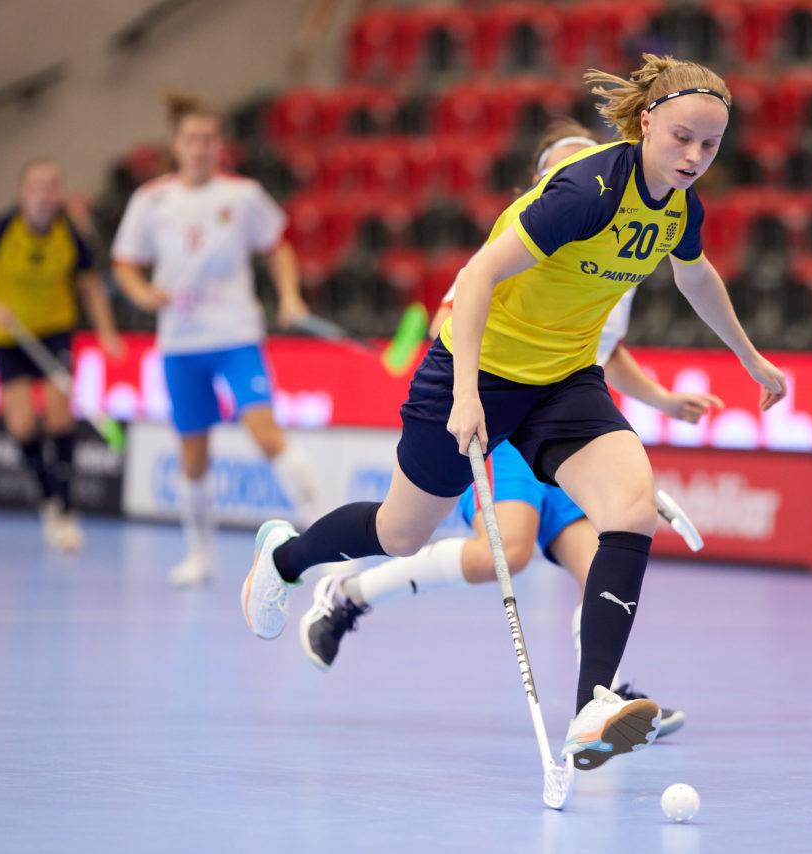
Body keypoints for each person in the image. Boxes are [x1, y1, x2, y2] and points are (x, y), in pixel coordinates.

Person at [242, 55, 787, 772]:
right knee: (399, 533)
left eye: (710, 146)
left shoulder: (680, 207)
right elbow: (476, 278)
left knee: (627, 507)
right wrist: (468, 393)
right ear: (647, 121)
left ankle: (594, 705)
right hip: (479, 373)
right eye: (683, 137)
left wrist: (751, 360)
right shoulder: (587, 191)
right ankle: (284, 560)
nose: (694, 157)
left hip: (563, 380)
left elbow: (695, 272)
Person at [297, 120, 723, 741]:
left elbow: (607, 351)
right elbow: (455, 321)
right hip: (503, 409)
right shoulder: (523, 243)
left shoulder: (623, 241)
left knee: (604, 554)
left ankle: (600, 697)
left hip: (567, 415)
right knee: (506, 553)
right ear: (543, 181)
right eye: (569, 165)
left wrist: (660, 399)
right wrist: (468, 396)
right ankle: (350, 592)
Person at [112, 92, 325, 587]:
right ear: (177, 145)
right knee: (193, 454)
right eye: (191, 139)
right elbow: (124, 262)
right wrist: (144, 294)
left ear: (220, 146)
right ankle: (199, 555)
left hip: (235, 337)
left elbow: (277, 247)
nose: (200, 147)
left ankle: (327, 535)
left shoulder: (244, 195)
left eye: (209, 139)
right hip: (181, 344)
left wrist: (290, 296)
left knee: (266, 434)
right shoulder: (151, 200)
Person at [0, 159, 124, 552]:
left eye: (52, 186)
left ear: (58, 193)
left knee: (59, 415)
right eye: (36, 186)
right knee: (22, 426)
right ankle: (48, 498)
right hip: (10, 336)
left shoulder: (70, 235)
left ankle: (66, 508)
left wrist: (107, 333)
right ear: (23, 193)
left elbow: (91, 288)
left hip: (54, 334)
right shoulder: (1, 230)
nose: (44, 194)